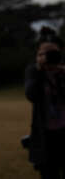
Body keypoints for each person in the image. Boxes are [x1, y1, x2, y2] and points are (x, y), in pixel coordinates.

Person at [25, 26, 65, 179]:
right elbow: (31, 95)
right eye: (44, 53)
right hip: (45, 136)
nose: (49, 56)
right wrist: (40, 71)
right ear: (38, 54)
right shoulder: (33, 71)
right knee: (49, 173)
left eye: (53, 52)